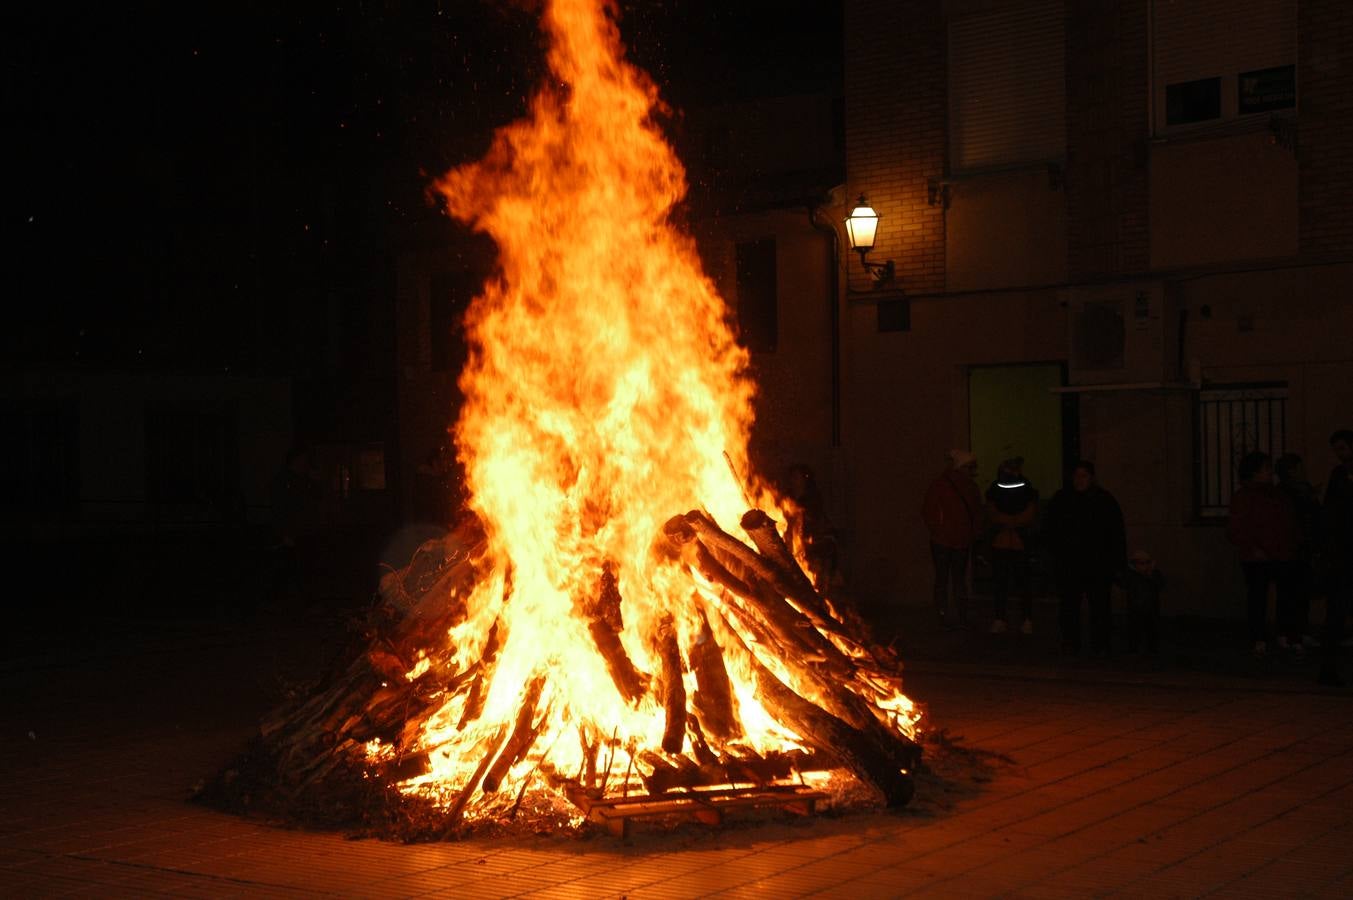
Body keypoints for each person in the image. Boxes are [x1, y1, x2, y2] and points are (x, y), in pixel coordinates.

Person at [1045, 460, 1126, 657]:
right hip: (1070, 564)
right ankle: (1071, 641)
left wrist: (1116, 563)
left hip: (1097, 564)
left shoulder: (1104, 501)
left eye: (1084, 476)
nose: (1079, 480)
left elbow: (1115, 534)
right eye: (1076, 476)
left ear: (1092, 478)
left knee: (1099, 605)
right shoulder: (1063, 500)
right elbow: (1051, 531)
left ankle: (1100, 643)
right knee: (1069, 605)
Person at [1227, 451, 1301, 657]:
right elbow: (1238, 528)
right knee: (1258, 598)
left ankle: (1282, 634)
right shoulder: (1245, 497)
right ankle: (1260, 636)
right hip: (1258, 556)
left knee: (1284, 596)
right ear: (1254, 472)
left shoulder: (1277, 495)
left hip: (1279, 553)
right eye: (1265, 468)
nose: (1270, 472)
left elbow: (1288, 522)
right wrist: (1253, 548)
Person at [921, 449, 983, 628]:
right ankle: (960, 614)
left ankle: (943, 613)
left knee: (943, 578)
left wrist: (938, 530)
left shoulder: (940, 484)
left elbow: (928, 510)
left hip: (943, 540)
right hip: (958, 539)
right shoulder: (970, 487)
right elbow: (977, 512)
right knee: (958, 578)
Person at [984, 457, 1039, 635]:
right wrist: (1015, 522)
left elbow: (993, 512)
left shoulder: (996, 488)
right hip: (1008, 542)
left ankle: (1023, 619)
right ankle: (1010, 619)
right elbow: (992, 512)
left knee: (1020, 583)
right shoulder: (1026, 487)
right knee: (1005, 583)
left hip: (1013, 542)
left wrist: (1007, 522)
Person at [1318, 429, 1353, 686]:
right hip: (1341, 554)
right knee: (1336, 612)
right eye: (1337, 450)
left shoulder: (1342, 476)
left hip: (1342, 551)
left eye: (1343, 448)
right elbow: (1330, 513)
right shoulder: (1339, 475)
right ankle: (1328, 668)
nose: (1340, 454)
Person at [1276, 452, 1322, 647]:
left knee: (1301, 591)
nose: (1303, 472)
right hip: (1290, 546)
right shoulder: (1284, 493)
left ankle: (1299, 632)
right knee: (1289, 591)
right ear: (1291, 471)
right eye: (1299, 468)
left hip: (1304, 546)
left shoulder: (1302, 490)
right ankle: (1288, 633)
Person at [783, 464, 838, 591]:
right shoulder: (787, 500)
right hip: (793, 547)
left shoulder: (812, 502)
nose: (794, 481)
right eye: (792, 477)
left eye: (797, 477)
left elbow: (817, 528)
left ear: (805, 479)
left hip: (813, 547)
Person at [1121, 549, 1165, 656]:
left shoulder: (1153, 574)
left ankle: (1152, 650)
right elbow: (1123, 584)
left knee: (1152, 630)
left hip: (1151, 609)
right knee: (1134, 631)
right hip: (1135, 609)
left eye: (1145, 562)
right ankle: (1134, 650)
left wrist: (1150, 575)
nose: (1143, 565)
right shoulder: (1131, 575)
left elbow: (1161, 585)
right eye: (1140, 563)